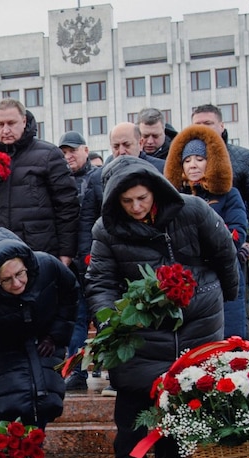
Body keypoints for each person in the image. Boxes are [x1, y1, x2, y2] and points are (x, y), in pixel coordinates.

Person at [85, 155, 238, 458]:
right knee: (131, 431)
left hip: (195, 325)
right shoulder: (106, 229)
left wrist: (220, 297)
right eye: (127, 201)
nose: (136, 207)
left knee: (178, 431)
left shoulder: (192, 210)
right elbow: (100, 282)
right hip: (141, 334)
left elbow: (225, 255)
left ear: (155, 190)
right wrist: (110, 322)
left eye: (142, 198)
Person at [0, 227, 78, 439]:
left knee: (47, 397)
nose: (17, 283)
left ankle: (34, 444)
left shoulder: (46, 265)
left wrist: (56, 334)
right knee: (12, 399)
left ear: (26, 265)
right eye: (7, 280)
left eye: (19, 274)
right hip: (4, 348)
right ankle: (12, 446)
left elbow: (70, 294)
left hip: (44, 339)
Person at [82, 122, 167, 396]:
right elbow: (90, 220)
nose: (121, 151)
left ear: (140, 143)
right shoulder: (99, 177)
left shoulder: (160, 171)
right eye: (115, 146)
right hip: (115, 259)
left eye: (126, 145)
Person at [0, 98, 79, 264]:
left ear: (24, 121)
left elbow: (67, 207)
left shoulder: (49, 155)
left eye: (11, 123)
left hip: (39, 251)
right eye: (0, 124)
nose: (5, 130)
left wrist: (66, 252)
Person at [164, 124, 248, 338]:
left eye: (199, 159)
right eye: (187, 160)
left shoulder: (229, 195)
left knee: (230, 335)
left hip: (224, 272)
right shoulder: (172, 201)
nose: (193, 165)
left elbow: (237, 232)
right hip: (186, 277)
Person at [191, 104, 249, 261]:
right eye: (197, 125)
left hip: (233, 246)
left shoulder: (243, 157)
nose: (202, 129)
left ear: (221, 126)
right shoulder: (181, 160)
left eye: (208, 124)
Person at [57, 131, 98, 391]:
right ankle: (76, 372)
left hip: (98, 261)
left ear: (86, 150)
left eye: (72, 150)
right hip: (70, 263)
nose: (68, 156)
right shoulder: (60, 181)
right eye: (64, 152)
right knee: (76, 319)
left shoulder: (98, 179)